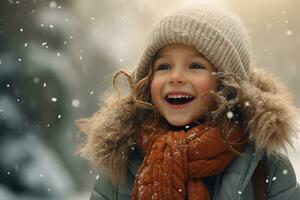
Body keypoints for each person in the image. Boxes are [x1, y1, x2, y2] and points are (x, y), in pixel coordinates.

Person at [77, 3, 300, 200]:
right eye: (164, 67)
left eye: (195, 66)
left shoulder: (264, 167)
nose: (175, 77)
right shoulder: (125, 164)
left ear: (227, 83)